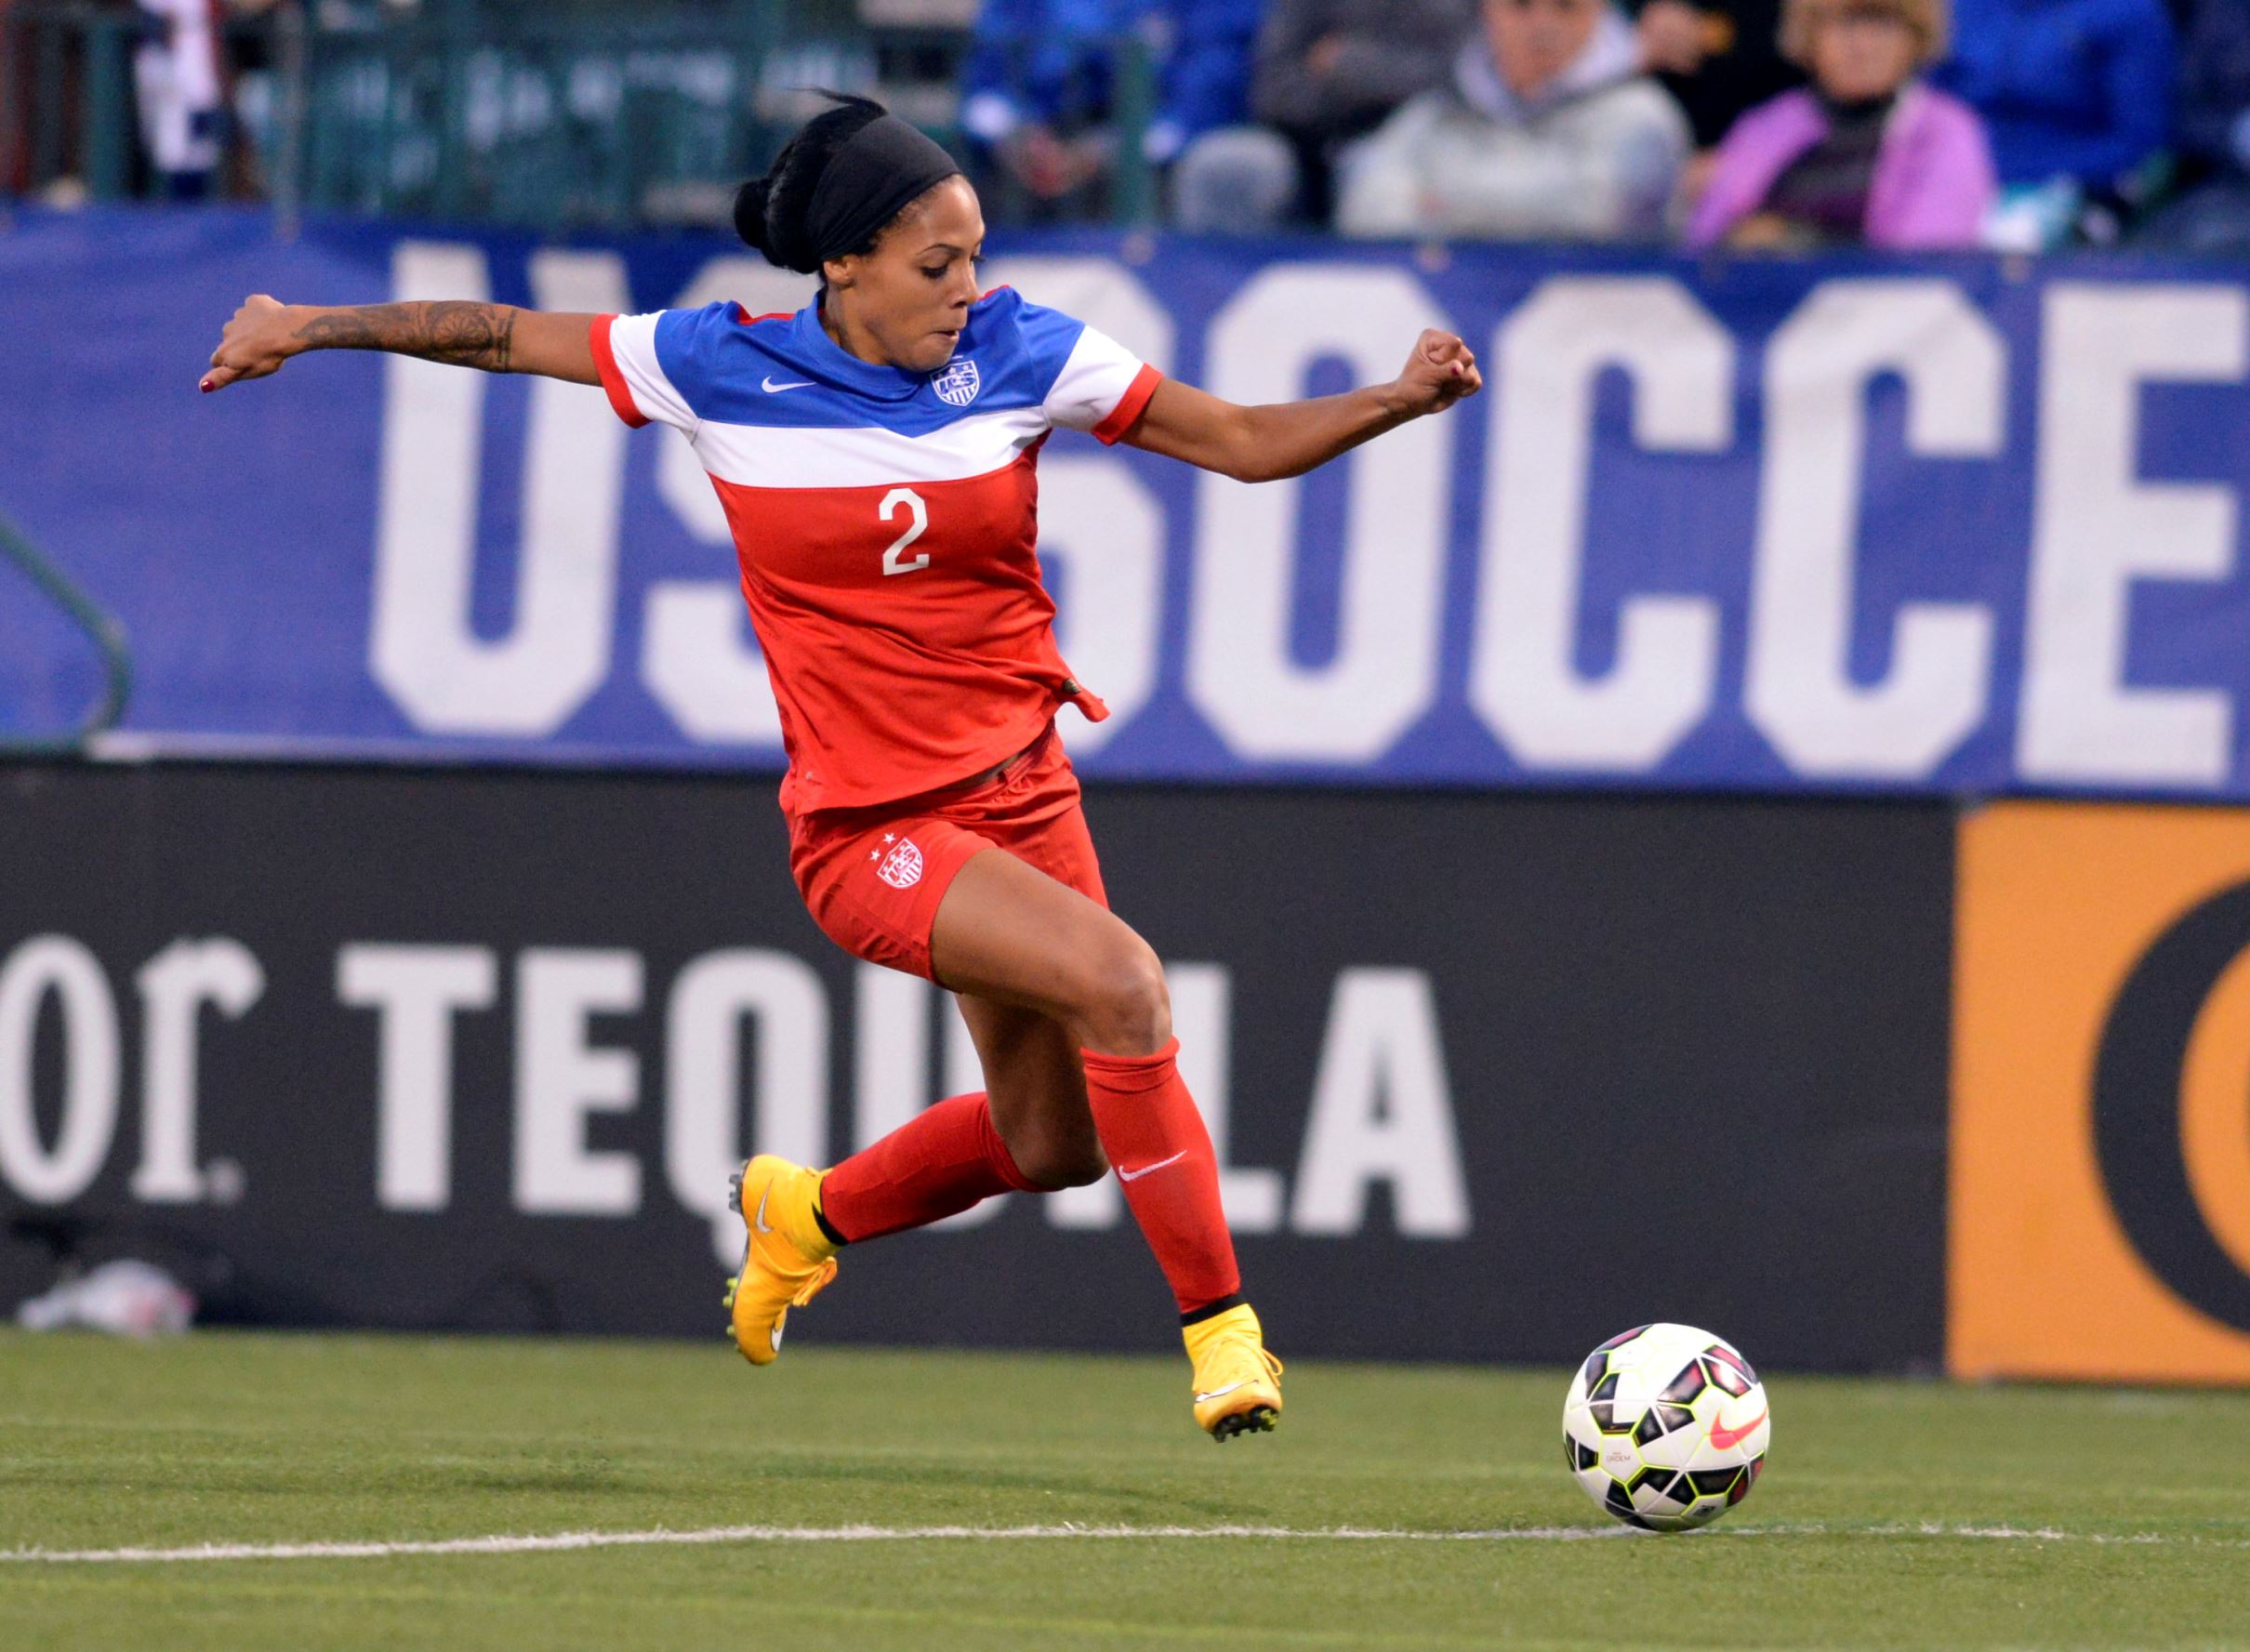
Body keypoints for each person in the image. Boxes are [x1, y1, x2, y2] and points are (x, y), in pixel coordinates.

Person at [199, 94, 1484, 1442]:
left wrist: (1397, 397)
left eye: (976, 255)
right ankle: (1225, 1338)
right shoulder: (714, 364)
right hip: (872, 829)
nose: (967, 288)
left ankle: (804, 1214)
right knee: (1126, 986)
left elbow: (1235, 443)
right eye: (939, 264)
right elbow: (500, 334)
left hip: (1026, 790)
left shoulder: (1020, 348)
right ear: (846, 264)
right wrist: (308, 324)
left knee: (1055, 1144)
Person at [1335, 0, 1690, 242]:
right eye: (1521, 4)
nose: (1542, 24)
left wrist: (1444, 205)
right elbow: (1363, 203)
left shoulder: (1644, 116)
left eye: (1565, 5)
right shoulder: (1438, 108)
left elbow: (1600, 216)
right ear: (1488, 8)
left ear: (1598, 9)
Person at [1687, 0, 1994, 249]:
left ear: (1915, 37)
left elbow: (1924, 265)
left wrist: (1796, 243)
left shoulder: (1944, 133)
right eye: (1844, 24)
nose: (1862, 45)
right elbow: (1704, 246)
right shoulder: (1764, 126)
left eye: (1882, 24)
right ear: (1810, 35)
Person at [1171, 0, 1476, 231]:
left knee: (1383, 184)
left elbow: (1458, 77)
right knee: (1228, 165)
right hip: (1307, 141)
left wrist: (1345, 64)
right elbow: (1273, 90)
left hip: (1425, 144)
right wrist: (1364, 90)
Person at [959, 0, 1263, 219]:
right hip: (1034, 151)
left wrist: (1116, 149)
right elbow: (984, 85)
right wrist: (1016, 134)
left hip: (1152, 159)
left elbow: (1208, 96)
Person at [1932, 0, 2175, 200]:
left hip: (2065, 188)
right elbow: (1926, 107)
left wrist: (2028, 174)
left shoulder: (2127, 13)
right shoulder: (1959, 8)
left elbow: (2140, 142)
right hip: (1951, 174)